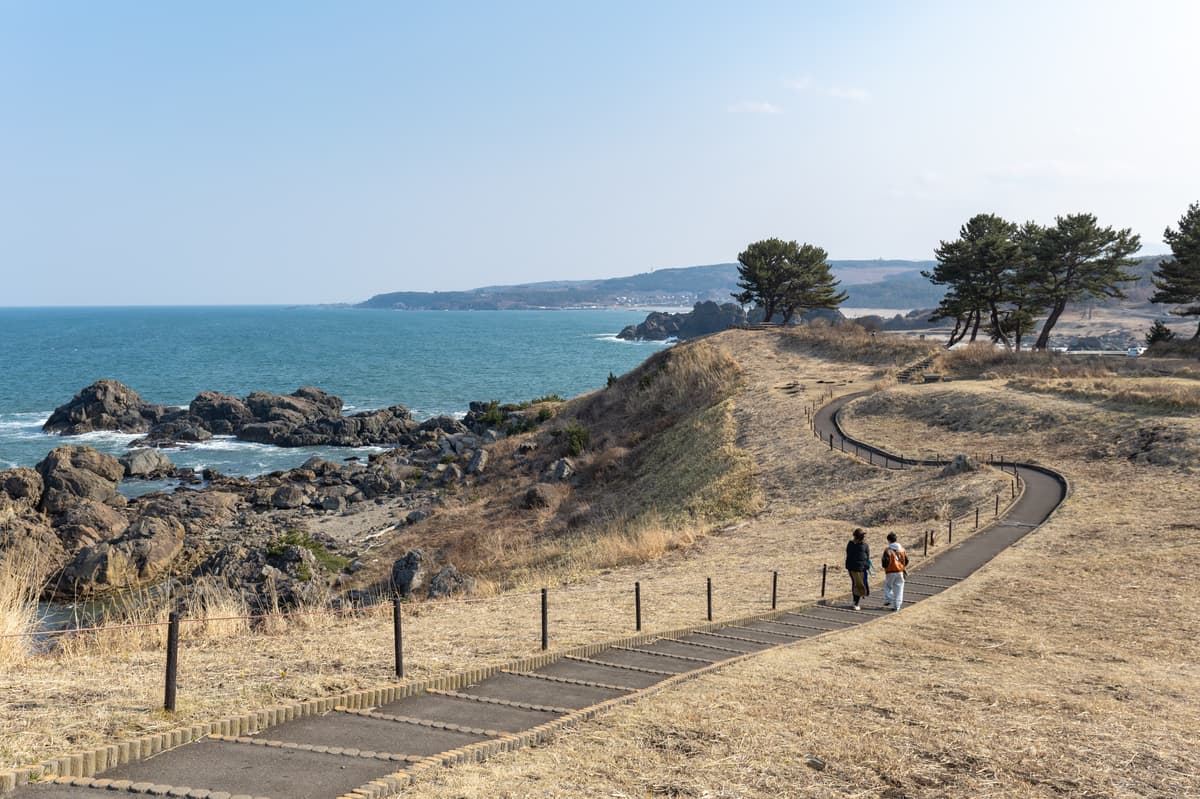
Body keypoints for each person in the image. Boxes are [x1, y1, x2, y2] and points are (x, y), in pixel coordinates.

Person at [844, 528, 870, 610]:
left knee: (857, 584)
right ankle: (856, 603)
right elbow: (867, 556)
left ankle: (855, 601)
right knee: (858, 585)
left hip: (858, 569)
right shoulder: (860, 545)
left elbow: (867, 556)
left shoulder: (852, 544)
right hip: (857, 569)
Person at [882, 532, 909, 611]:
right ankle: (897, 606)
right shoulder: (902, 549)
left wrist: (885, 567)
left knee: (888, 586)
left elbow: (885, 562)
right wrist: (902, 566)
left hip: (890, 571)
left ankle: (888, 598)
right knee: (899, 589)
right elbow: (907, 560)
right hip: (900, 571)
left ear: (889, 540)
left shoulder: (887, 550)